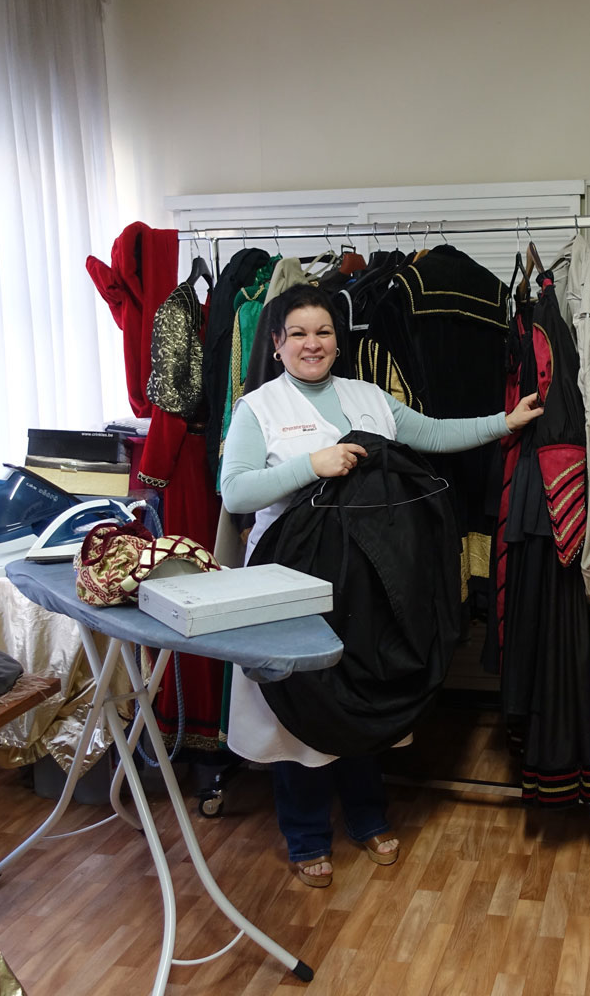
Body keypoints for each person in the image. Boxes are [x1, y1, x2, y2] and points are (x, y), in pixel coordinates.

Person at [220, 283, 543, 887]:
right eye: (298, 334)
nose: (311, 344)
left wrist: (507, 421)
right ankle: (307, 835)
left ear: (338, 342)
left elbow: (434, 435)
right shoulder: (258, 409)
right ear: (276, 344)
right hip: (288, 580)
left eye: (323, 332)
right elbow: (235, 491)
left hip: (364, 579)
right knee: (299, 705)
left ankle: (367, 818)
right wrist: (308, 465)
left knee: (358, 689)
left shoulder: (368, 398)